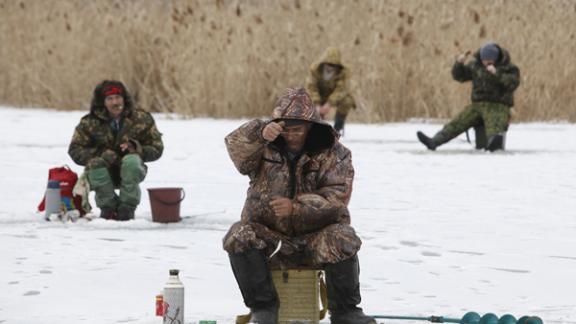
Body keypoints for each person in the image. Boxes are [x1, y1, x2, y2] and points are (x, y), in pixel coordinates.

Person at [223, 87, 375, 324]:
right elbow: (237, 152)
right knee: (238, 235)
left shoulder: (336, 153)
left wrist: (296, 207)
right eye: (286, 130)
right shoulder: (264, 146)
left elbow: (337, 197)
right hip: (271, 239)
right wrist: (261, 134)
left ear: (310, 127)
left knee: (343, 237)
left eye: (298, 129)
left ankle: (346, 312)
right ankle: (264, 309)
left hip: (315, 238)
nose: (291, 135)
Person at [68, 80, 163, 220]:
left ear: (125, 99)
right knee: (95, 163)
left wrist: (137, 148)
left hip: (131, 171)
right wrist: (101, 154)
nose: (115, 102)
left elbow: (157, 148)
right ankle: (108, 209)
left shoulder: (142, 118)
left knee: (132, 161)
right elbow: (75, 149)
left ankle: (127, 209)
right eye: (110, 99)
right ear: (102, 102)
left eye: (118, 97)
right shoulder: (89, 122)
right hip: (102, 173)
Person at [416, 42, 520, 151]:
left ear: (496, 58)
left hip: (498, 105)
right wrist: (459, 64)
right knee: (458, 122)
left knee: (495, 123)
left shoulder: (509, 68)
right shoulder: (475, 65)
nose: (487, 63)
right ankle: (434, 141)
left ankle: (493, 144)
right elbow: (459, 76)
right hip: (477, 105)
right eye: (484, 60)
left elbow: (513, 84)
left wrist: (497, 73)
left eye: (490, 60)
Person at [306, 47, 356, 135]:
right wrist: (317, 104)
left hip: (334, 97)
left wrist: (329, 103)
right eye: (328, 64)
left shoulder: (343, 72)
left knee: (347, 101)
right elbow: (311, 87)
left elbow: (341, 89)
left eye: (333, 65)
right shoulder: (315, 69)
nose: (330, 67)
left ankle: (338, 127)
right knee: (303, 99)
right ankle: (310, 127)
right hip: (318, 96)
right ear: (324, 63)